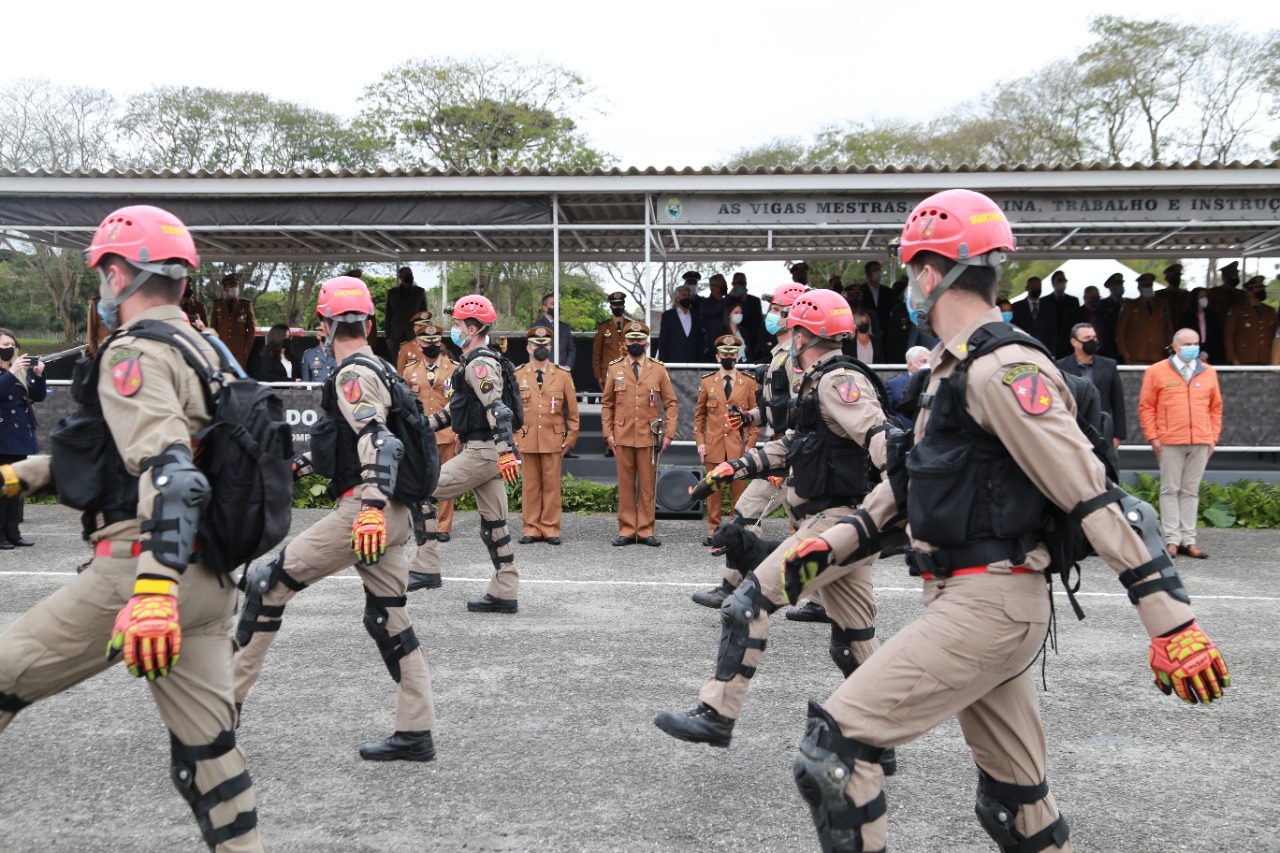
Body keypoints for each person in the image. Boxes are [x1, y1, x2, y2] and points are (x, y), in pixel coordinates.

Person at [781, 189, 1228, 853]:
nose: (909, 288)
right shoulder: (950, 368)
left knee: (834, 751)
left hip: (989, 604)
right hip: (971, 597)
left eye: (910, 274)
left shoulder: (1002, 367)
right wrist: (829, 543)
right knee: (1018, 805)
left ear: (930, 275)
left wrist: (1173, 621)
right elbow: (906, 486)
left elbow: (1091, 492)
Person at [0, 205, 265, 851]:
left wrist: (150, 590)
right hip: (209, 579)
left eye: (101, 273)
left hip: (143, 575)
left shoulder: (136, 351)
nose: (100, 289)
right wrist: (18, 475)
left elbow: (172, 474)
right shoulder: (207, 349)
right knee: (211, 755)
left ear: (119, 271)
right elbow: (122, 458)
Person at [655, 289, 896, 772]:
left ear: (805, 334)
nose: (787, 335)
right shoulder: (818, 382)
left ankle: (717, 712)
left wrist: (907, 495)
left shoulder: (837, 380)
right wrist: (734, 468)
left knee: (747, 602)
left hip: (836, 524)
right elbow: (793, 444)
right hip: (840, 523)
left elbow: (879, 435)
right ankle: (880, 741)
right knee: (853, 638)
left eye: (791, 328)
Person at [234, 275, 437, 764]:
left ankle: (217, 716)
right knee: (388, 617)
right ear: (368, 322)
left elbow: (379, 441)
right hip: (393, 512)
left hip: (367, 512)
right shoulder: (381, 367)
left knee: (268, 583)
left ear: (323, 326)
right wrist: (301, 465)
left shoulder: (352, 374)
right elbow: (357, 441)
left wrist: (367, 510)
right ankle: (416, 732)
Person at [691, 282, 809, 609]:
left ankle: (819, 599)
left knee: (804, 528)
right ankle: (733, 585)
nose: (769, 314)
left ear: (791, 314)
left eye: (775, 309)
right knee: (751, 513)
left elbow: (800, 407)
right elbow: (779, 405)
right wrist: (751, 417)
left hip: (792, 455)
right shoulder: (782, 354)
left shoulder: (796, 358)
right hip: (785, 453)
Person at [407, 294, 522, 613]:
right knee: (495, 523)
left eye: (457, 323)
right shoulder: (474, 362)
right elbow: (458, 411)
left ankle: (425, 567)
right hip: (485, 453)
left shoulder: (480, 363)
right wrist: (422, 425)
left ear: (471, 328)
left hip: (484, 454)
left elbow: (497, 409)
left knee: (421, 490)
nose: (453, 329)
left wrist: (505, 452)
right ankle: (505, 590)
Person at [1139, 328, 1223, 559]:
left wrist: (1212, 437)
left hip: (1200, 440)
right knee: (1170, 490)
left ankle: (1189, 540)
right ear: (1175, 346)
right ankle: (1171, 541)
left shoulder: (1208, 372)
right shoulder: (1156, 371)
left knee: (1190, 491)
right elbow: (1146, 407)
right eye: (1187, 344)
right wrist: (1153, 437)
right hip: (1170, 440)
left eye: (1195, 343)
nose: (1192, 348)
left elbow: (1215, 408)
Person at [601, 321, 678, 547]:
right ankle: (626, 530)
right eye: (631, 340)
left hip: (649, 436)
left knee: (646, 486)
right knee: (625, 486)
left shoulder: (658, 369)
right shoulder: (615, 369)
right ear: (625, 343)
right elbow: (607, 404)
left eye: (639, 339)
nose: (635, 343)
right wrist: (608, 433)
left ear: (646, 342)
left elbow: (671, 403)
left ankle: (645, 530)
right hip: (623, 434)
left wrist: (669, 434)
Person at [512, 325, 579, 544]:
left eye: (545, 344)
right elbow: (509, 409)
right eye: (536, 344)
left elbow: (573, 411)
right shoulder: (517, 374)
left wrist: (570, 438)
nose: (541, 347)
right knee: (530, 486)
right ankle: (531, 528)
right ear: (528, 347)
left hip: (553, 438)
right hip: (527, 437)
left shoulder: (562, 374)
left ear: (550, 347)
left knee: (551, 486)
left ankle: (550, 529)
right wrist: (514, 437)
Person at [693, 336, 760, 544]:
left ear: (738, 356)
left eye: (732, 354)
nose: (728, 357)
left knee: (739, 494)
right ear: (717, 356)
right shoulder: (707, 381)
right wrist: (700, 442)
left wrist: (750, 445)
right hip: (714, 445)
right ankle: (714, 529)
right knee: (713, 491)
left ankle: (736, 531)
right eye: (724, 354)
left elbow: (755, 416)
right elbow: (699, 416)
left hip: (738, 447)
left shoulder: (748, 383)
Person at [401, 322, 459, 543]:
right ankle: (424, 521)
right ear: (419, 344)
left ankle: (444, 526)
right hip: (421, 435)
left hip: (447, 433)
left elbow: (459, 403)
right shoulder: (409, 370)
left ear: (440, 343)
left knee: (446, 481)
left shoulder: (454, 369)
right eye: (427, 341)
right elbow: (405, 405)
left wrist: (458, 432)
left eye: (435, 341)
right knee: (421, 480)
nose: (431, 344)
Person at [0, 331, 46, 548]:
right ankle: (1, 535)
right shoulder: (11, 371)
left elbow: (37, 396)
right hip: (2, 437)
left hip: (18, 437)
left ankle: (13, 532)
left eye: (10, 343)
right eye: (3, 344)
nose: (8, 348)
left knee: (14, 488)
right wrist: (12, 371)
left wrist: (38, 375)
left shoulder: (18, 371)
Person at [1057, 323, 1127, 448]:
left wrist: (1118, 435)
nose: (1092, 341)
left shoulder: (1109, 365)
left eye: (1094, 337)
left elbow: (1118, 402)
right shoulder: (1060, 367)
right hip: (1072, 429)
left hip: (1102, 429)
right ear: (1074, 342)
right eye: (1087, 338)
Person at [1116, 273, 1173, 365]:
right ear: (1139, 288)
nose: (1147, 288)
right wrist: (1124, 352)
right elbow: (1120, 331)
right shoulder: (1130, 306)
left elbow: (1169, 331)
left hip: (1158, 355)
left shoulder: (1162, 305)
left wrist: (1169, 350)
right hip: (1136, 355)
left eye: (1149, 285)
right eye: (1145, 286)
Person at [1223, 276, 1278, 365]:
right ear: (1249, 292)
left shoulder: (1270, 311)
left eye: (1262, 288)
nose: (1262, 291)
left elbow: (1277, 334)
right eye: (1258, 289)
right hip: (1244, 358)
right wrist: (1232, 357)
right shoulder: (1237, 310)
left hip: (1266, 358)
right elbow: (1229, 335)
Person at [209, 273, 256, 370]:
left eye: (236, 286)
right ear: (225, 288)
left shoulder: (245, 304)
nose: (234, 288)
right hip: (222, 348)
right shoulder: (218, 304)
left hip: (240, 351)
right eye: (231, 286)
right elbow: (213, 327)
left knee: (240, 377)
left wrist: (246, 349)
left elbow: (251, 328)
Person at [592, 291, 634, 390]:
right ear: (610, 307)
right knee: (609, 404)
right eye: (615, 305)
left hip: (629, 372)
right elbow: (596, 353)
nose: (618, 307)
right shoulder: (603, 327)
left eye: (620, 304)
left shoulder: (631, 326)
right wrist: (598, 376)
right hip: (608, 373)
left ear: (624, 306)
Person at [384, 266, 428, 357]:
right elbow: (388, 315)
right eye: (407, 274)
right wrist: (387, 336)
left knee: (414, 363)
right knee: (397, 363)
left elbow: (424, 315)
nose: (410, 276)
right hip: (395, 335)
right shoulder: (392, 293)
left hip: (414, 335)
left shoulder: (419, 292)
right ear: (400, 277)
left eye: (411, 274)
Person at [656, 283, 705, 363]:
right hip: (673, 362)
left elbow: (700, 341)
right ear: (677, 298)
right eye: (684, 295)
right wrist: (663, 361)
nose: (688, 298)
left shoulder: (696, 316)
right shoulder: (668, 316)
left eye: (689, 295)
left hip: (693, 362)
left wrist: (700, 361)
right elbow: (663, 340)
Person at [884, 345, 930, 430]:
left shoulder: (936, 382)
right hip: (904, 433)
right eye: (924, 361)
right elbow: (887, 412)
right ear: (910, 365)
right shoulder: (893, 384)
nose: (927, 365)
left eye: (930, 362)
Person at [1177, 287, 1226, 365]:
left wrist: (1206, 353)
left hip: (1211, 355)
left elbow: (1217, 337)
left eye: (1206, 297)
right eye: (1201, 297)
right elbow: (1182, 337)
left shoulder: (1212, 316)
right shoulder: (1186, 317)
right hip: (1191, 355)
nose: (1204, 299)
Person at [1011, 276, 1057, 351]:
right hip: (1025, 348)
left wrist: (1053, 352)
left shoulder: (1049, 307)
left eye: (1039, 287)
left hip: (1045, 349)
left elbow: (1053, 332)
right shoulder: (1017, 307)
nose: (1037, 289)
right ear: (1027, 288)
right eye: (1034, 286)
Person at [535, 292, 577, 370]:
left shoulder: (564, 327)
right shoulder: (536, 327)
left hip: (563, 371)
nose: (556, 307)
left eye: (558, 304)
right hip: (544, 372)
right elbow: (534, 351)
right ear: (544, 307)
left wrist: (567, 366)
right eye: (553, 304)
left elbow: (571, 349)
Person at [1041, 270, 1079, 356]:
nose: (1063, 283)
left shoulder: (1073, 301)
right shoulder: (1045, 301)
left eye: (1064, 281)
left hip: (1070, 343)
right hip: (1051, 344)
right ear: (1053, 283)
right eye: (1060, 280)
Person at [730, 271, 767, 360]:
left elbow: (759, 323)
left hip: (752, 340)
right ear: (733, 284)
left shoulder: (754, 301)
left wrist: (759, 343)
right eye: (738, 283)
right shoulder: (729, 301)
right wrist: (731, 296)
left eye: (742, 283)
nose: (740, 286)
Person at [698, 274, 729, 359]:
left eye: (725, 284)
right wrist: (728, 297)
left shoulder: (729, 302)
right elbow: (714, 310)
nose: (725, 286)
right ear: (712, 287)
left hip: (729, 346)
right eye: (722, 284)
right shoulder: (705, 303)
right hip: (712, 347)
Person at [1097, 273, 1127, 360]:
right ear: (1111, 288)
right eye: (1117, 285)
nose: (1120, 287)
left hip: (1125, 346)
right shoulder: (1102, 304)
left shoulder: (1128, 303)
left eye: (1121, 284)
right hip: (1109, 346)